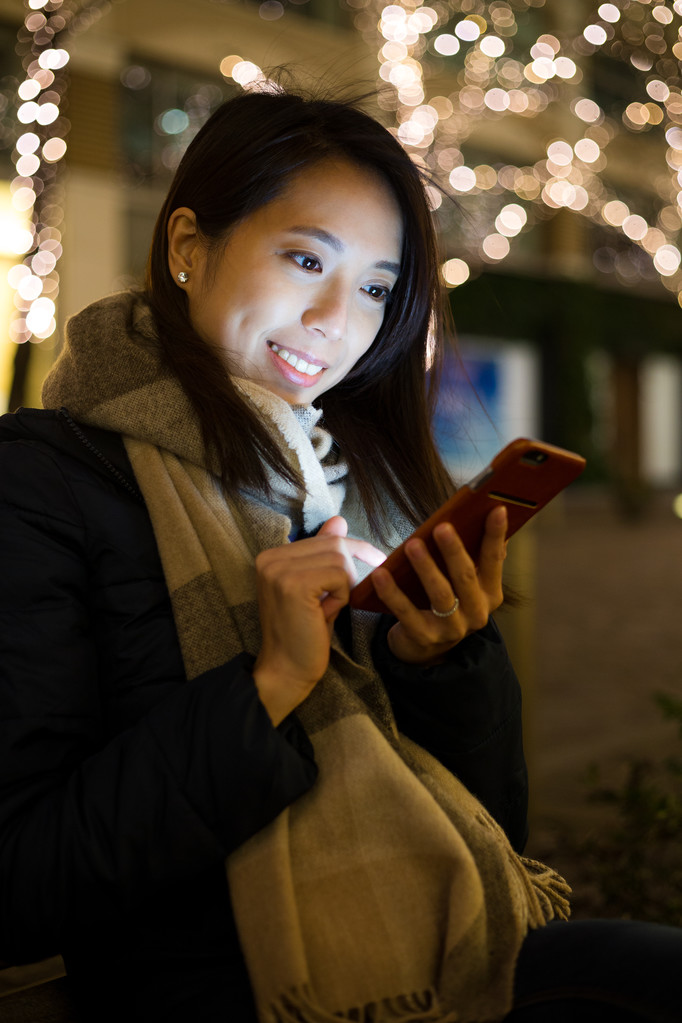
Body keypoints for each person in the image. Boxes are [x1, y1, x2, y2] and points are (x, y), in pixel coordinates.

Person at [0, 84, 680, 1023]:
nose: (336, 317)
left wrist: (442, 664)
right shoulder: (41, 484)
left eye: (373, 286)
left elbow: (485, 830)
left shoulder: (343, 486)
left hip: (435, 947)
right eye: (304, 257)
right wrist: (267, 686)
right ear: (189, 248)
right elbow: (22, 882)